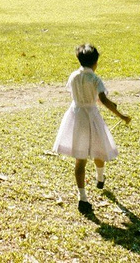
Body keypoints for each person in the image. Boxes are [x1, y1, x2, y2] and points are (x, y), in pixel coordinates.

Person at [53, 43, 130, 214]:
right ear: (95, 62)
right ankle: (100, 177)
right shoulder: (95, 79)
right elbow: (103, 100)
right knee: (99, 149)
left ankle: (83, 198)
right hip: (91, 116)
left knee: (80, 159)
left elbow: (76, 94)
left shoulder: (73, 76)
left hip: (76, 115)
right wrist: (121, 115)